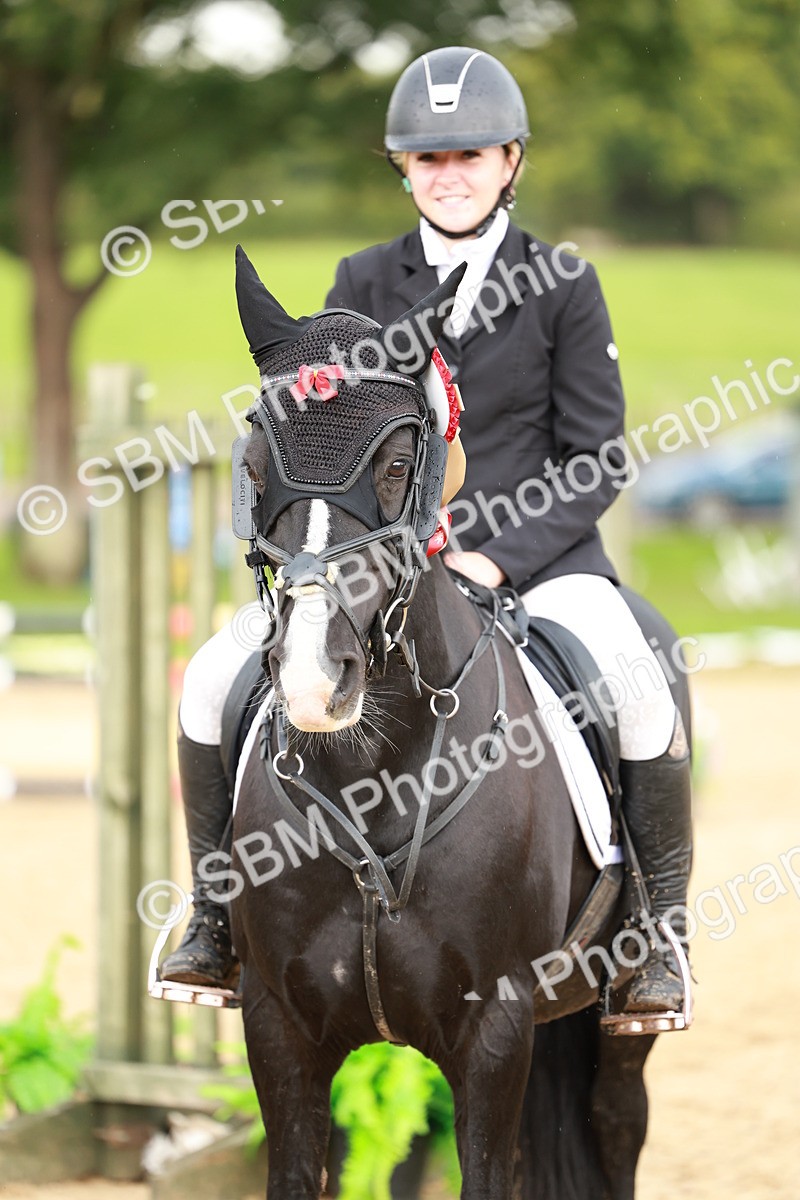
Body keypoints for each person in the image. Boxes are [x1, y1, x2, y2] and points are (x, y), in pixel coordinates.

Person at [162, 47, 692, 1027]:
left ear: (509, 162)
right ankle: (213, 919)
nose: (449, 174)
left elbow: (594, 457)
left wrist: (494, 554)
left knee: (636, 688)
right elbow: (324, 437)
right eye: (428, 158)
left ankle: (654, 939)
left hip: (537, 566)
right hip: (376, 572)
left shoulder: (561, 282)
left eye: (470, 155)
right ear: (400, 167)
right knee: (207, 681)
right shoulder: (360, 279)